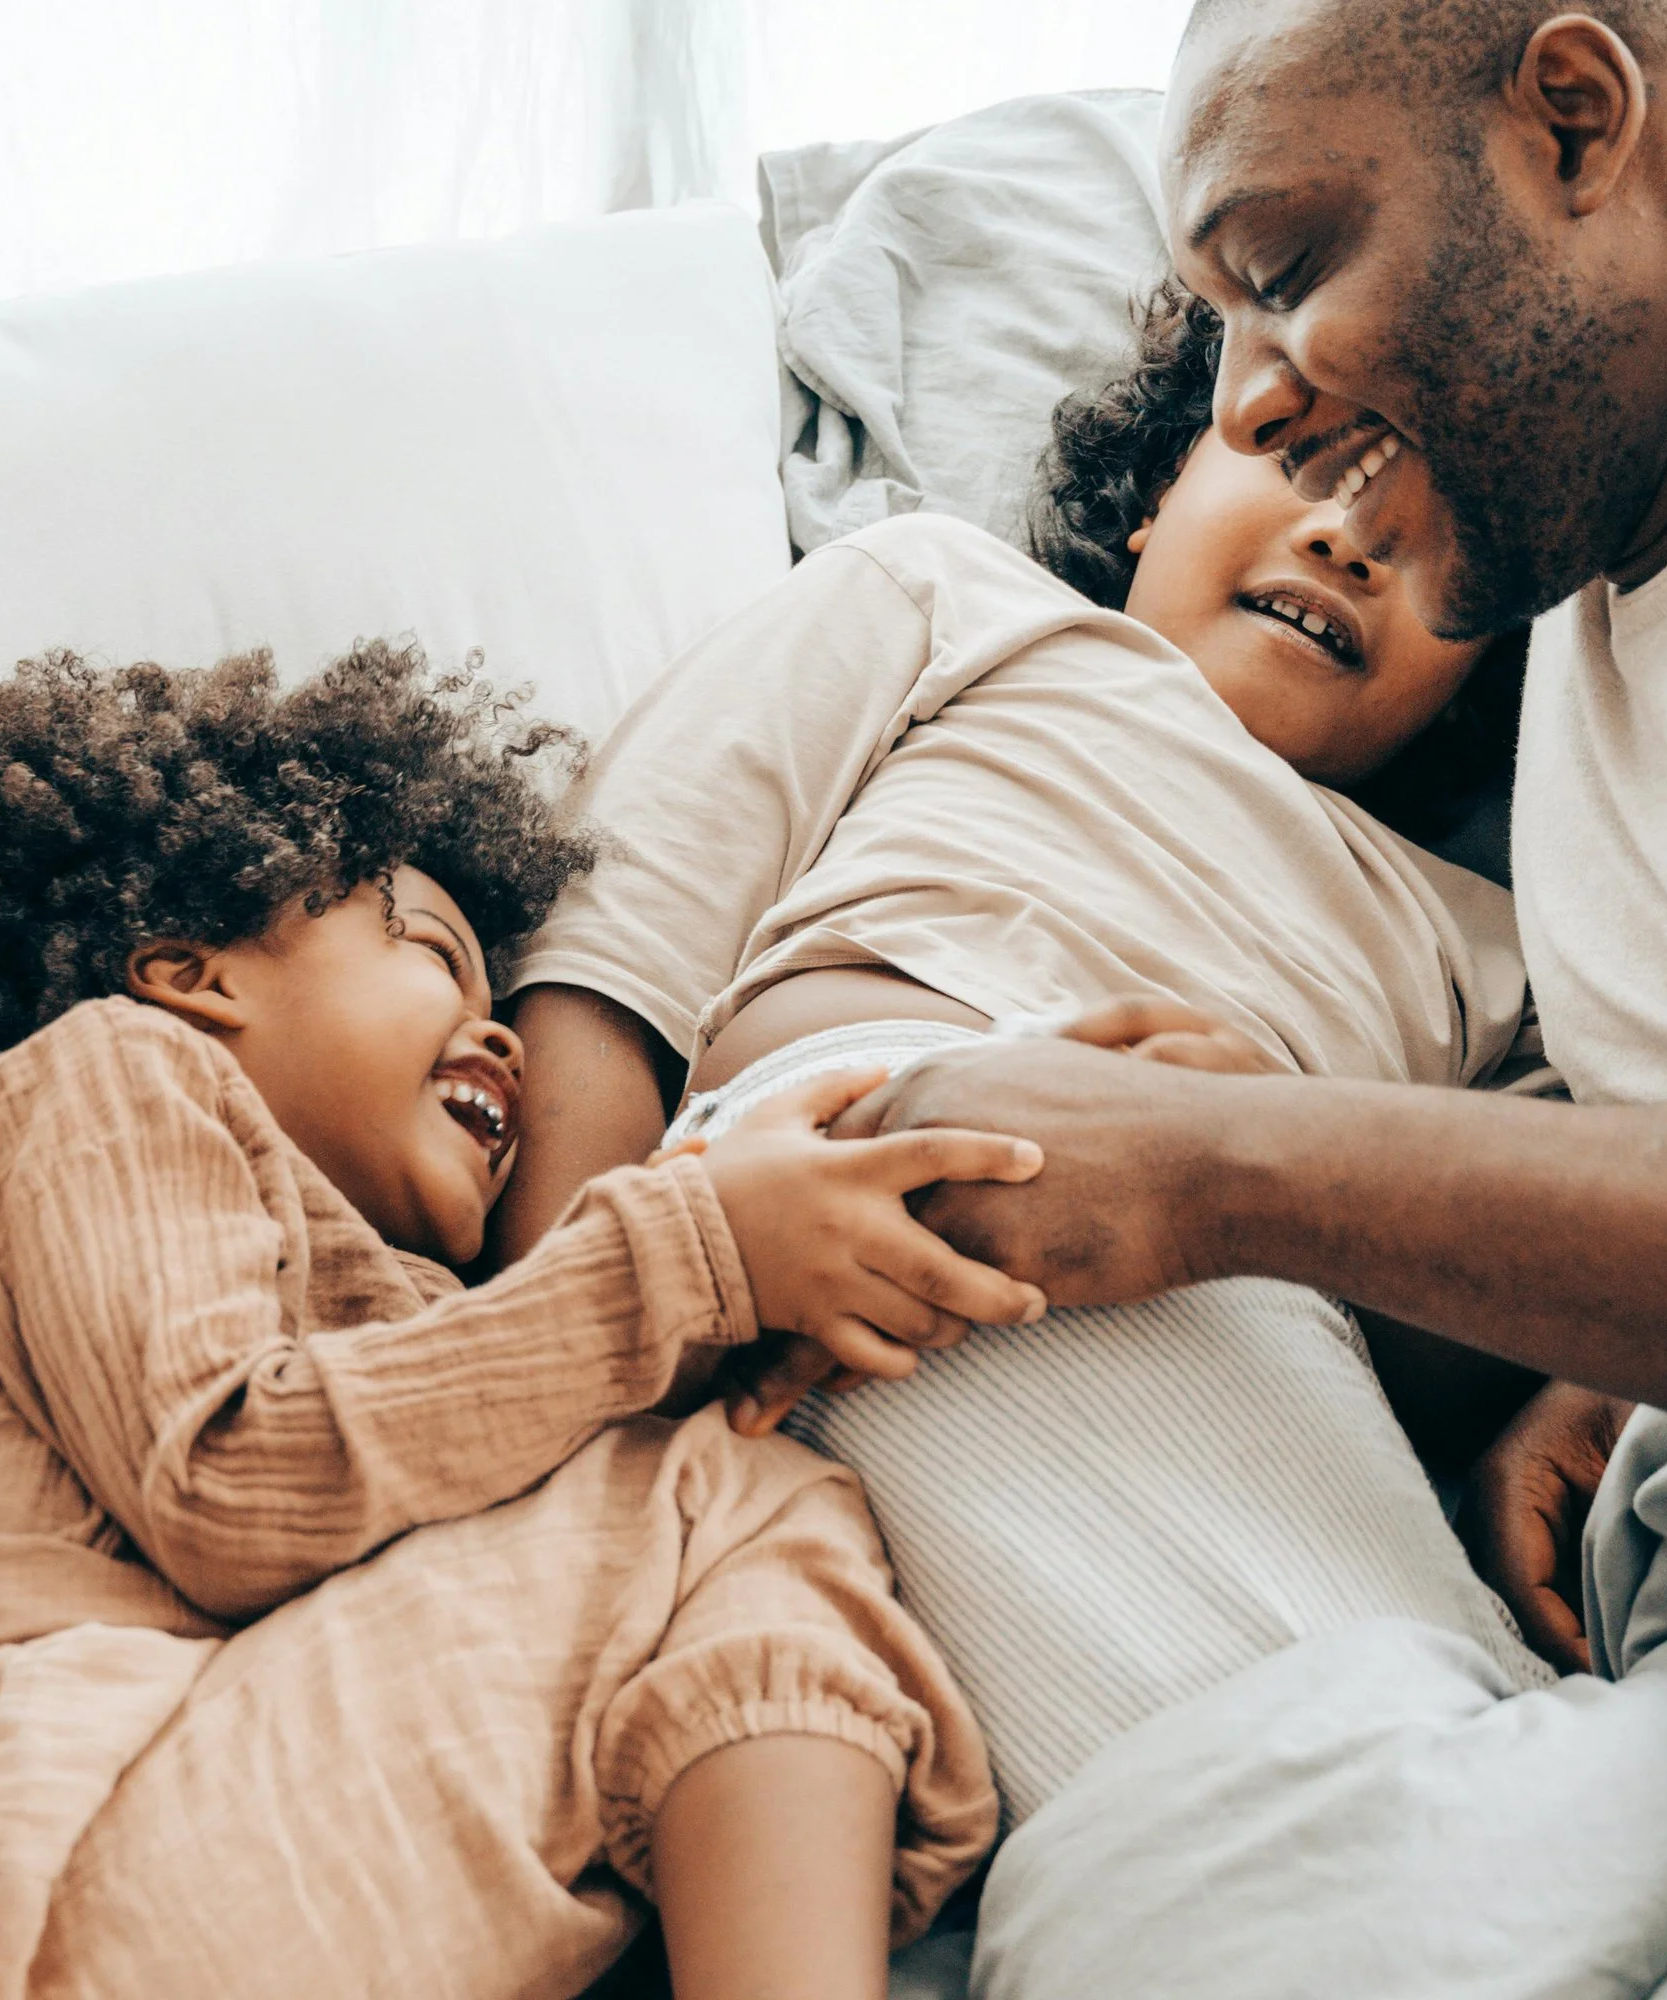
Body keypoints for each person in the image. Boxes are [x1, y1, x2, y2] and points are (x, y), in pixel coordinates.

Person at [833, 5, 1667, 1994]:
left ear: (1574, 120)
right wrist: (1622, 1347)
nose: (1250, 404)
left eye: (1282, 273)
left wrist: (1234, 1169)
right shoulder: (1599, 593)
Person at [0, 644, 1013, 2000]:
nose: (505, 1040)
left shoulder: (431, 1319)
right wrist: (695, 1247)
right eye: (426, 949)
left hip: (216, 1843)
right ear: (194, 976)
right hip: (37, 1838)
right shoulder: (100, 1082)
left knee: (722, 1510)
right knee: (729, 1498)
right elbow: (228, 1473)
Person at [493, 277, 1549, 1848]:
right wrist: (576, 1359)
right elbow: (610, 950)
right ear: (1154, 494)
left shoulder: (1507, 943)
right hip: (844, 1169)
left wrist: (1286, 1161)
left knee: (1399, 1734)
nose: (1350, 535)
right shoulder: (955, 602)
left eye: (1444, 526)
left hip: (1253, 1287)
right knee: (1362, 1790)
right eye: (1302, 452)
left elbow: (1479, 1326)